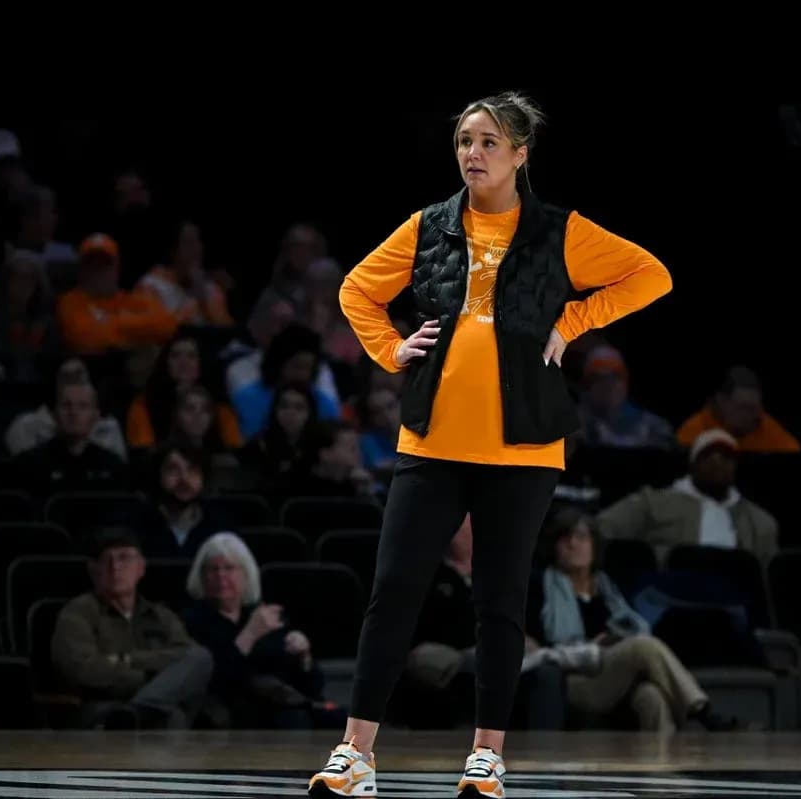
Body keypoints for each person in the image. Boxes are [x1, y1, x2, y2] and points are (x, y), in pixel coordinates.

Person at [308, 91, 673, 799]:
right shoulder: (428, 225)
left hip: (523, 447)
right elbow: (358, 289)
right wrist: (390, 349)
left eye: (487, 142)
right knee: (393, 592)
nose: (472, 154)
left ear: (520, 153)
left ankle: (486, 756)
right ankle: (356, 752)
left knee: (500, 600)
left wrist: (576, 317)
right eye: (465, 142)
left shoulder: (559, 232)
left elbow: (651, 273)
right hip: (433, 438)